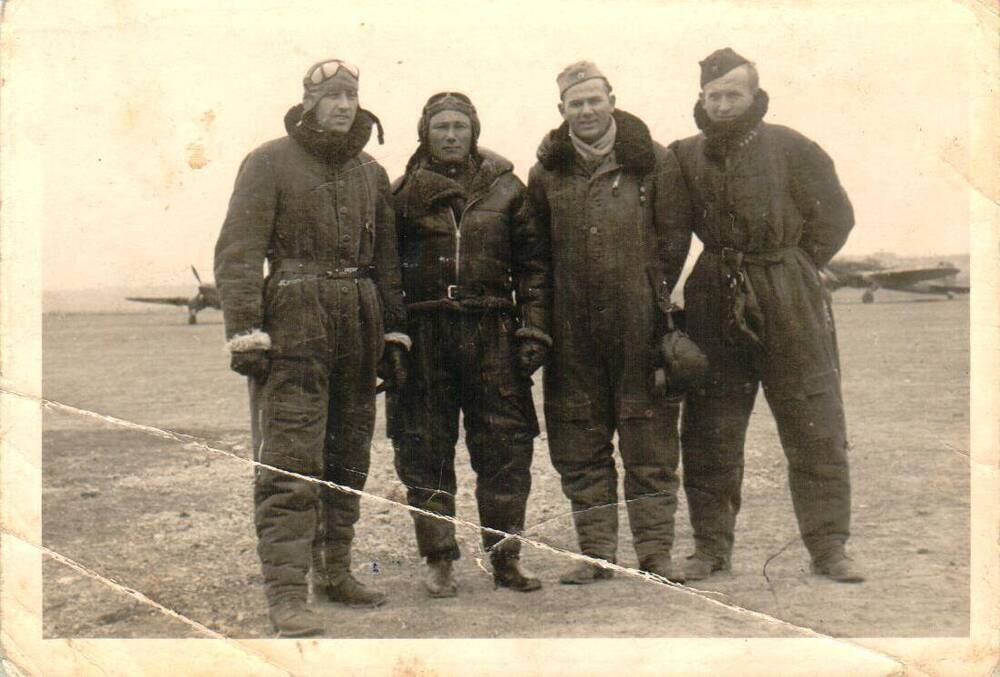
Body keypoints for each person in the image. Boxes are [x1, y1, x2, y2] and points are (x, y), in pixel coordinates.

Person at [214, 59, 409, 637]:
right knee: (291, 460)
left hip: (359, 321)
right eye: (332, 96)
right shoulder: (268, 162)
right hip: (296, 322)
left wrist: (393, 333)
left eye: (351, 94)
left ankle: (336, 572)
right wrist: (246, 330)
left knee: (348, 454)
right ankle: (286, 594)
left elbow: (390, 262)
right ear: (308, 101)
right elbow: (238, 252)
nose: (344, 105)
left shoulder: (371, 171)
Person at [666, 48, 863, 582]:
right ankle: (710, 549)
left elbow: (836, 217)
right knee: (710, 431)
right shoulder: (682, 155)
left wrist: (794, 267)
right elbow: (666, 229)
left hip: (789, 298)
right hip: (713, 300)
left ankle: (829, 548)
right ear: (701, 99)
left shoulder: (792, 147)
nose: (724, 104)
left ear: (756, 97)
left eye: (735, 94)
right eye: (715, 95)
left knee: (814, 425)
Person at [526, 62, 690, 584]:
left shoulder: (653, 163)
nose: (587, 110)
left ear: (612, 100)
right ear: (562, 111)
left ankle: (655, 553)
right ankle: (597, 554)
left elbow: (673, 241)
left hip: (640, 328)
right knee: (579, 442)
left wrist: (648, 296)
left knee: (650, 441)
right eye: (576, 103)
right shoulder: (546, 172)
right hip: (571, 331)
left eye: (595, 100)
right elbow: (537, 255)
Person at [389, 92, 551, 597]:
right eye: (441, 127)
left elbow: (534, 269)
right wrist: (392, 336)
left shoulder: (508, 191)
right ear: (425, 133)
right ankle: (438, 558)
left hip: (493, 332)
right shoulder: (402, 194)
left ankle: (505, 560)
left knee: (505, 446)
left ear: (474, 131)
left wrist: (534, 329)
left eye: (460, 126)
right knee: (424, 446)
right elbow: (386, 272)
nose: (452, 135)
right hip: (427, 333)